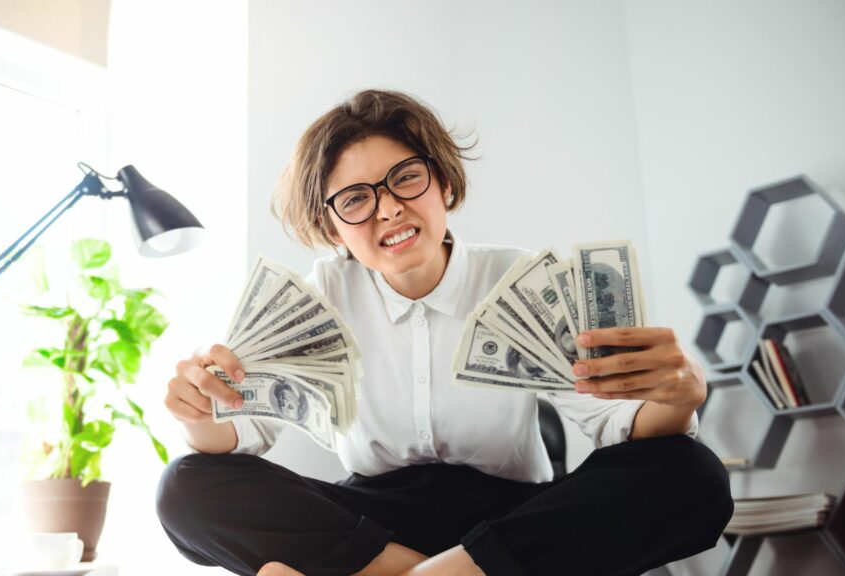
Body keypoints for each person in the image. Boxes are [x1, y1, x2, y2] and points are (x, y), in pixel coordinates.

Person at [157, 89, 733, 576]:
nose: (388, 210)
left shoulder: (519, 279)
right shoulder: (322, 298)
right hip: (372, 527)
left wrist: (677, 400)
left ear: (444, 186)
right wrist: (201, 415)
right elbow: (242, 433)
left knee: (692, 473)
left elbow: (622, 425)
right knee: (185, 485)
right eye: (355, 199)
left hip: (511, 522)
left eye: (405, 178)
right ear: (332, 228)